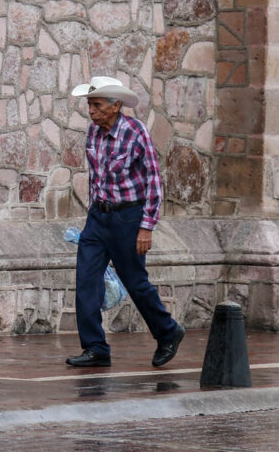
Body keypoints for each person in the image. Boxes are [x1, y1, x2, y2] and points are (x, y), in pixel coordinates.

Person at [66, 76, 184, 368]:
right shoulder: (93, 133)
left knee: (135, 281)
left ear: (115, 105)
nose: (91, 112)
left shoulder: (135, 132)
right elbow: (97, 177)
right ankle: (95, 347)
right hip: (98, 216)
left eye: (96, 105)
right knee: (86, 280)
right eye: (89, 105)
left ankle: (168, 332)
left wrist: (147, 226)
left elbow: (153, 182)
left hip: (128, 217)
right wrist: (94, 212)